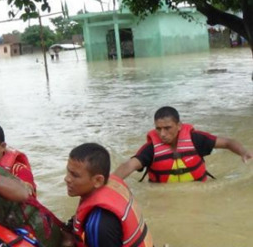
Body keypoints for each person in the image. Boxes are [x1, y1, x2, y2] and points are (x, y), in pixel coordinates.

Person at [114, 106, 253, 183]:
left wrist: (244, 152)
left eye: (167, 128)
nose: (162, 134)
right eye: (158, 128)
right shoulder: (150, 149)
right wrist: (109, 184)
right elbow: (129, 165)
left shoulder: (196, 139)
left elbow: (228, 142)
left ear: (179, 126)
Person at [64, 143, 153, 247]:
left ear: (98, 180)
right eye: (68, 172)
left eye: (75, 175)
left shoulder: (100, 225)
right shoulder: (112, 186)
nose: (67, 179)